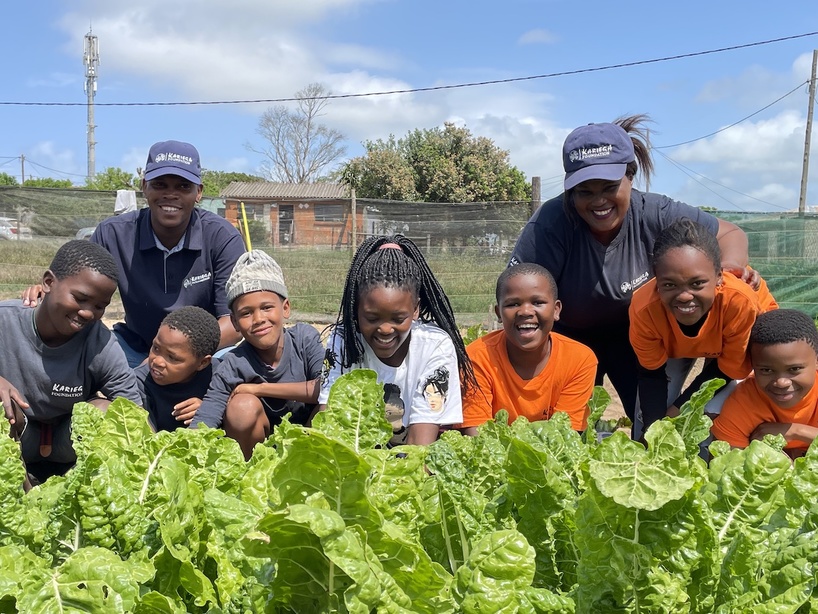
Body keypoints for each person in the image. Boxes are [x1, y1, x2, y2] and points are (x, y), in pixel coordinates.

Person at [509, 115, 755, 423]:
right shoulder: (552, 222)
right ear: (570, 190)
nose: (599, 201)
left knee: (649, 424)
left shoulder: (656, 212)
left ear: (630, 176)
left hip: (636, 335)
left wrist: (730, 270)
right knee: (567, 427)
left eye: (610, 187)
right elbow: (518, 290)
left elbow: (731, 234)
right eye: (584, 191)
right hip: (570, 337)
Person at [24, 140, 246, 367]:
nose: (171, 194)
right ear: (144, 186)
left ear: (198, 192)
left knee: (229, 371)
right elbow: (74, 291)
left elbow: (233, 324)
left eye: (183, 186)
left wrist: (169, 355)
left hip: (199, 353)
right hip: (133, 348)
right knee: (83, 353)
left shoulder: (222, 237)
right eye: (160, 184)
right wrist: (45, 293)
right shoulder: (113, 234)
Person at [318, 235, 477, 446]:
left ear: (416, 309)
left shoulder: (435, 345)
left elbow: (419, 448)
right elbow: (329, 425)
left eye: (398, 319)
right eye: (372, 318)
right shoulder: (343, 340)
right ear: (356, 309)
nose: (384, 329)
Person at [0, 240, 141, 478]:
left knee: (110, 413)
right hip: (17, 438)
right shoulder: (6, 320)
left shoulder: (101, 343)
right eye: (80, 298)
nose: (88, 312)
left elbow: (134, 415)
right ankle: (19, 495)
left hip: (69, 443)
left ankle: (68, 492)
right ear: (48, 282)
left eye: (100, 306)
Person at [629, 219, 777, 434]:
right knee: (646, 422)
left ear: (719, 276)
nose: (685, 295)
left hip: (733, 345)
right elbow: (651, 373)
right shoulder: (644, 308)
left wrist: (679, 409)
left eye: (697, 283)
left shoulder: (739, 301)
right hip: (678, 345)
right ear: (656, 280)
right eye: (669, 284)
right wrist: (653, 432)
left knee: (711, 418)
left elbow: (728, 369)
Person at [192, 250, 324, 460]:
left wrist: (260, 388)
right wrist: (184, 450)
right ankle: (247, 475)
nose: (258, 319)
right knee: (241, 407)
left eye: (266, 307)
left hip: (308, 447)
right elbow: (208, 414)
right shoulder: (234, 363)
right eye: (246, 313)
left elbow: (325, 389)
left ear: (286, 308)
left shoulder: (304, 340)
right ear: (234, 322)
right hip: (261, 454)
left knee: (329, 406)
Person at [461, 263, 597, 434]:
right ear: (498, 313)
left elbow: (566, 439)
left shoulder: (579, 360)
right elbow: (477, 436)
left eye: (538, 302)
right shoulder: (476, 358)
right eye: (512, 304)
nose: (525, 311)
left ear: (556, 310)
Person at [712, 309, 818, 459]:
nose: (781, 382)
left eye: (794, 369)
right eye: (766, 370)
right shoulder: (743, 405)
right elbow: (726, 470)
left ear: (816, 361)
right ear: (752, 366)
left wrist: (795, 431)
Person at [135, 306, 221, 432]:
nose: (157, 361)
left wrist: (210, 409)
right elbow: (146, 440)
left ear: (202, 363)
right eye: (156, 348)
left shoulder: (221, 374)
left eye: (172, 358)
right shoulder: (139, 383)